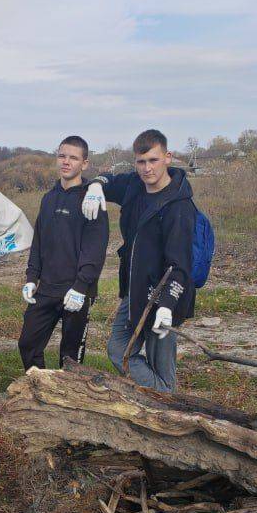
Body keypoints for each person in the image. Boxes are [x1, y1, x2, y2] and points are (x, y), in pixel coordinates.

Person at [81, 129, 195, 391]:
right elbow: (109, 180)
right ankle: (161, 398)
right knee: (118, 349)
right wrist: (96, 185)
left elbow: (180, 265)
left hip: (163, 295)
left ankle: (166, 404)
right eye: (141, 162)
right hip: (134, 290)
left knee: (162, 368)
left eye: (153, 160)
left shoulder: (179, 206)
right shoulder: (134, 185)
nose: (147, 168)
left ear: (167, 157)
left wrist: (167, 305)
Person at [18, 136, 109, 370]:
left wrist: (81, 287)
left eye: (73, 157)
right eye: (62, 156)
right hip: (47, 288)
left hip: (76, 291)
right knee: (28, 343)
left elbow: (95, 250)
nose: (66, 162)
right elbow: (38, 242)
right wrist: (31, 278)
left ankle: (69, 399)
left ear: (85, 164)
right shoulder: (48, 199)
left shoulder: (90, 200)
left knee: (70, 357)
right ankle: (38, 390)